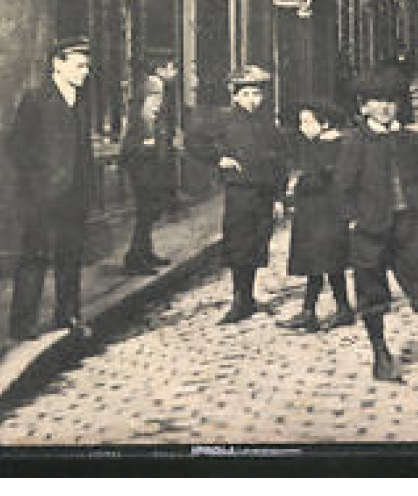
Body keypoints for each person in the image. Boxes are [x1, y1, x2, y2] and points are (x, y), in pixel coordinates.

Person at [335, 67, 418, 381]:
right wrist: (354, 220)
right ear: (364, 107)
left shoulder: (410, 140)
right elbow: (342, 187)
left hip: (408, 225)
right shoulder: (355, 142)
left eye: (390, 101)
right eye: (376, 102)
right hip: (370, 229)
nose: (384, 108)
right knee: (372, 291)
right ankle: (380, 355)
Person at [6, 37, 95, 341]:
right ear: (58, 64)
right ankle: (22, 323)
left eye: (87, 66)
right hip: (42, 196)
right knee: (35, 256)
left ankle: (67, 314)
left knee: (70, 256)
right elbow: (17, 147)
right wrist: (36, 185)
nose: (85, 72)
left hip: (74, 195)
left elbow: (83, 150)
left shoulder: (82, 100)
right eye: (79, 65)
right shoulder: (36, 99)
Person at [186, 65, 289, 324]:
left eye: (257, 94)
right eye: (246, 95)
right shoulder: (223, 120)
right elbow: (193, 141)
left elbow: (281, 162)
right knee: (239, 243)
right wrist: (219, 158)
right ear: (234, 95)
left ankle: (249, 296)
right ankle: (239, 298)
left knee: (257, 243)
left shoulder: (269, 126)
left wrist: (279, 196)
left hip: (264, 192)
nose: (252, 101)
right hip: (240, 191)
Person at [280, 104, 356, 332]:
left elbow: (324, 178)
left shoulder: (334, 147)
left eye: (307, 122)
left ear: (324, 124)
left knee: (328, 263)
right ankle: (314, 310)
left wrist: (299, 184)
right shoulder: (317, 145)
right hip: (313, 213)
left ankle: (335, 310)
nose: (302, 127)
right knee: (319, 263)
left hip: (328, 213)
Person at [120, 75, 175, 275]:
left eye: (160, 98)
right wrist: (145, 147)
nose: (158, 104)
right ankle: (134, 258)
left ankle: (146, 252)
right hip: (141, 175)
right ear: (146, 97)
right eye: (155, 98)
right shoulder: (136, 119)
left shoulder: (156, 118)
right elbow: (127, 150)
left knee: (151, 214)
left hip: (154, 174)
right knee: (144, 215)